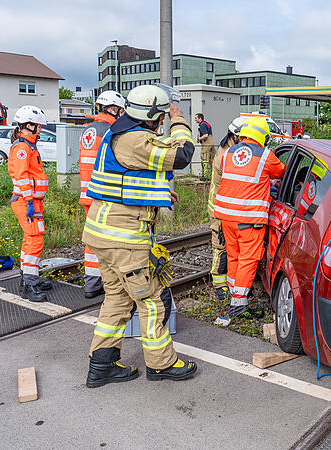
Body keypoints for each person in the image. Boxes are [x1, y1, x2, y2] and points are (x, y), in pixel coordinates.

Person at [83, 84, 198, 387]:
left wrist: (159, 193)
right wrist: (180, 121)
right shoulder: (136, 139)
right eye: (161, 117)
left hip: (102, 232)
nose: (162, 123)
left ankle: (102, 366)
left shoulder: (116, 134)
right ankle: (162, 364)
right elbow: (182, 154)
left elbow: (128, 181)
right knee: (151, 300)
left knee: (117, 300)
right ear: (154, 116)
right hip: (124, 237)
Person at [213, 116, 284, 326]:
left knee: (234, 256)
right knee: (249, 259)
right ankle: (239, 305)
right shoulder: (266, 156)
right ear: (263, 137)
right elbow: (281, 173)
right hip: (249, 217)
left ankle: (236, 297)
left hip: (226, 216)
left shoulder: (228, 153)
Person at [78, 90, 126, 299]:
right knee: (111, 238)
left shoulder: (87, 130)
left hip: (87, 193)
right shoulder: (110, 132)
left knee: (92, 239)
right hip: (104, 193)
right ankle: (112, 283)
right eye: (121, 111)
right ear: (114, 109)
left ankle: (92, 283)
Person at [8, 105, 51, 302]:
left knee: (29, 239)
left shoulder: (29, 146)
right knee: (35, 240)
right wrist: (30, 202)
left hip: (31, 201)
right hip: (27, 202)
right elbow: (22, 176)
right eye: (38, 126)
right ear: (27, 125)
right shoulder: (22, 148)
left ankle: (27, 278)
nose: (40, 130)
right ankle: (30, 284)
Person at [207, 117, 246, 301]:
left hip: (226, 208)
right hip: (219, 209)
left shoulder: (232, 151)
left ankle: (232, 282)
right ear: (234, 136)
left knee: (230, 246)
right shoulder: (226, 155)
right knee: (220, 246)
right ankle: (219, 285)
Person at [194, 113, 213, 181]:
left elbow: (205, 135)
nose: (195, 119)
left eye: (196, 118)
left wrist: (199, 139)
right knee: (211, 159)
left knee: (204, 158)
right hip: (211, 142)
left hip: (206, 143)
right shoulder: (206, 123)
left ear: (200, 118)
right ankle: (212, 175)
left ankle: (206, 176)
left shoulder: (202, 125)